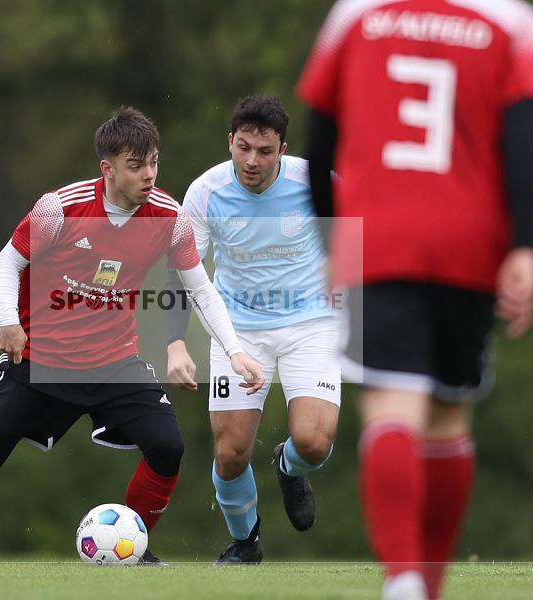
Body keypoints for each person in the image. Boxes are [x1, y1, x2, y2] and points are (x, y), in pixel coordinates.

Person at [0, 106, 265, 564]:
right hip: (39, 362)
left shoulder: (170, 218)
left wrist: (235, 352)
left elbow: (200, 290)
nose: (149, 174)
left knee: (168, 447)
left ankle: (135, 549)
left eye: (154, 162)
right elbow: (7, 263)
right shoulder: (60, 208)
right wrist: (8, 320)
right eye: (135, 165)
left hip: (114, 361)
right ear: (107, 169)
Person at [298, 1, 533, 598]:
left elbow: (320, 133)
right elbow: (523, 141)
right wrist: (523, 246)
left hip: (382, 239)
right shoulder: (511, 21)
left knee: (393, 409)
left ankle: (405, 580)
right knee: (447, 418)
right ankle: (428, 587)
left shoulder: (357, 14)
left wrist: (334, 240)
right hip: (470, 244)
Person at [166, 96, 341, 564]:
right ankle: (245, 544)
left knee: (314, 443)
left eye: (264, 151)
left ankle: (290, 466)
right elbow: (182, 271)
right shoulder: (206, 192)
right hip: (238, 332)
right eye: (243, 147)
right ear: (230, 141)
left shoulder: (317, 183)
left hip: (312, 324)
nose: (251, 161)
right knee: (231, 453)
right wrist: (176, 343)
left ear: (283, 149)